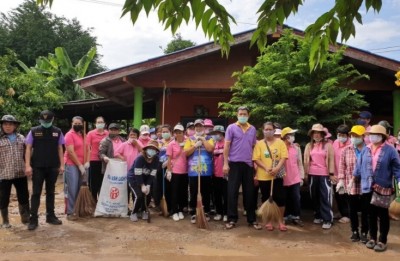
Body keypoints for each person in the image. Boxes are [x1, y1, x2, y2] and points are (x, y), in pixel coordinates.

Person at [353, 125, 400, 252]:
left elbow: (397, 168)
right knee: (370, 214)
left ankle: (382, 240)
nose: (373, 136)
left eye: (376, 134)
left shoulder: (390, 150)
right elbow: (358, 165)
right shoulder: (366, 149)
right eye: (371, 134)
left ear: (383, 136)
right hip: (367, 186)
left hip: (383, 186)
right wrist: (354, 178)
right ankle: (372, 237)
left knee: (383, 214)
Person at [223, 106, 261, 230]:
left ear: (248, 115)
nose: (242, 116)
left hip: (248, 165)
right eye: (240, 114)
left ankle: (251, 219)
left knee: (250, 193)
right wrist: (225, 163)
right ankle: (232, 219)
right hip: (234, 164)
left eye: (245, 114)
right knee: (232, 192)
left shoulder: (252, 129)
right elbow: (226, 146)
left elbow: (255, 147)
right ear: (237, 115)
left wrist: (256, 164)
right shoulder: (231, 127)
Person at [25, 110, 64, 230]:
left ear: (52, 120)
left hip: (53, 167)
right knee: (36, 192)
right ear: (40, 120)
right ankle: (33, 219)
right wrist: (27, 165)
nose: (45, 122)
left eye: (48, 121)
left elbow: (60, 148)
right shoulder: (33, 131)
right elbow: (28, 148)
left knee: (51, 192)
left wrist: (62, 165)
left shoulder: (58, 132)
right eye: (43, 121)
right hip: (38, 167)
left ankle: (50, 216)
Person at [253, 122, 288, 231]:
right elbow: (256, 159)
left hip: (277, 176)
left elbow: (284, 157)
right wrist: (266, 168)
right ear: (263, 131)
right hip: (264, 176)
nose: (268, 131)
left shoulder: (280, 143)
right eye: (266, 129)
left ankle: (280, 221)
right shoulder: (259, 144)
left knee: (280, 198)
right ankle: (268, 221)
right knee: (265, 198)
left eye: (270, 129)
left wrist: (276, 168)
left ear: (274, 130)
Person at [337, 125, 369, 243]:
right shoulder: (346, 150)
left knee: (366, 210)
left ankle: (365, 232)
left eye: (356, 135)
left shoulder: (369, 149)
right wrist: (341, 180)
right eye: (352, 135)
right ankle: (354, 231)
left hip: (366, 185)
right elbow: (342, 166)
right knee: (352, 210)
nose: (354, 138)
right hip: (351, 185)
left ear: (363, 136)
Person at [0, 115, 30, 228]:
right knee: (3, 198)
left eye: (10, 124)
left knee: (24, 196)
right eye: (5, 124)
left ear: (15, 126)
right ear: (2, 126)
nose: (7, 126)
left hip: (20, 173)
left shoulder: (21, 138)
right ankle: (5, 221)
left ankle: (25, 219)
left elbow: (27, 154)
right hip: (4, 174)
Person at [304, 123, 335, 230]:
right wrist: (305, 174)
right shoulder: (309, 146)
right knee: (314, 195)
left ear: (322, 134)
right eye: (314, 133)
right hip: (312, 174)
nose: (316, 135)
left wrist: (331, 174)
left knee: (325, 196)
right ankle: (318, 215)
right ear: (312, 134)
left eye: (319, 133)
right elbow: (305, 161)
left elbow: (331, 160)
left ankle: (327, 219)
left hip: (324, 174)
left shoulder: (328, 145)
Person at [184, 119, 214, 224]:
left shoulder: (210, 138)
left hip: (206, 169)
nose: (198, 128)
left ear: (204, 127)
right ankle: (193, 211)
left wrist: (203, 140)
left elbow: (210, 149)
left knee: (206, 191)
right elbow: (186, 153)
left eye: (200, 126)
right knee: (193, 191)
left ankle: (205, 211)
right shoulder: (190, 139)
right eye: (196, 126)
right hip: (193, 169)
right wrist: (195, 145)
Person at [127, 140, 160, 222]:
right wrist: (142, 185)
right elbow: (137, 173)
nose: (152, 151)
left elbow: (153, 173)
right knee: (139, 196)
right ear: (146, 149)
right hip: (134, 179)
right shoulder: (140, 158)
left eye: (154, 149)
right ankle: (134, 212)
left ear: (156, 151)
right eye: (150, 148)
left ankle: (144, 210)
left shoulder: (156, 159)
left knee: (148, 195)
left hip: (146, 179)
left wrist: (148, 185)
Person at [281, 127, 305, 227]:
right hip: (283, 177)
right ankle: (286, 216)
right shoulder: (280, 147)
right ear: (286, 137)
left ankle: (296, 216)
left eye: (293, 135)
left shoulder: (296, 148)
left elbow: (299, 162)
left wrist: (302, 176)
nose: (292, 137)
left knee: (296, 197)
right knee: (285, 198)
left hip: (295, 177)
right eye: (291, 135)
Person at [64, 116, 86, 220]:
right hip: (72, 164)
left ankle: (78, 209)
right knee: (72, 188)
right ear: (72, 123)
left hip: (82, 164)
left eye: (79, 123)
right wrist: (79, 165)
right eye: (75, 123)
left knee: (79, 188)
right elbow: (71, 152)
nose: (77, 125)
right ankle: (70, 212)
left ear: (82, 124)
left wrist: (86, 163)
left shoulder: (82, 135)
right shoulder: (69, 135)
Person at [166, 123, 188, 221]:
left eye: (180, 132)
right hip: (175, 171)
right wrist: (169, 170)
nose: (178, 134)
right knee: (174, 192)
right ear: (174, 133)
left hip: (186, 171)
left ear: (183, 132)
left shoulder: (188, 141)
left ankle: (180, 210)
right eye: (176, 132)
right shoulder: (171, 144)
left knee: (183, 192)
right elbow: (169, 159)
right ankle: (174, 211)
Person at [86, 116, 109, 201]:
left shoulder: (107, 133)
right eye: (98, 122)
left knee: (104, 181)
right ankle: (93, 201)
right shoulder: (91, 133)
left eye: (101, 122)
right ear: (95, 124)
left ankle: (102, 202)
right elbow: (87, 147)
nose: (100, 124)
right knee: (94, 182)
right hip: (94, 160)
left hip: (105, 160)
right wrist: (87, 160)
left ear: (104, 124)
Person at [332, 124, 351, 224]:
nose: (341, 137)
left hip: (347, 175)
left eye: (343, 135)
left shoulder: (351, 144)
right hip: (336, 174)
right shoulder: (335, 143)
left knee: (346, 196)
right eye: (339, 134)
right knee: (338, 194)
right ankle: (340, 212)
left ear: (347, 135)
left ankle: (347, 215)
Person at [209, 125, 228, 222]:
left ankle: (226, 213)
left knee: (226, 195)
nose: (216, 135)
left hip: (226, 174)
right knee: (217, 195)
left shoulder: (228, 143)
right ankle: (219, 212)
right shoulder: (215, 143)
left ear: (222, 133)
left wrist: (220, 151)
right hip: (215, 173)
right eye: (215, 134)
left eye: (218, 133)